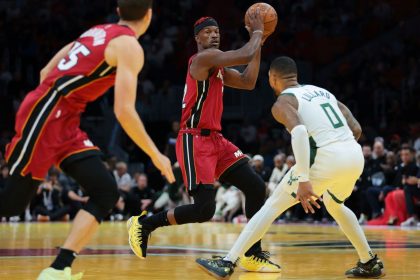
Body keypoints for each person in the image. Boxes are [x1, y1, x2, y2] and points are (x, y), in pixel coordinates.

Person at [0, 0, 175, 279]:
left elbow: (46, 72)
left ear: (118, 12)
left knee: (105, 191)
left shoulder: (97, 31)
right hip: (47, 114)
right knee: (11, 205)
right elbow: (123, 111)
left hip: (63, 116)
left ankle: (59, 269)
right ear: (149, 15)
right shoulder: (130, 46)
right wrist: (156, 154)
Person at [196, 56, 385, 279]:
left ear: (272, 78)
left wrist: (305, 177)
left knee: (270, 207)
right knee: (335, 205)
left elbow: (301, 132)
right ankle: (369, 261)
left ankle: (228, 262)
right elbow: (355, 128)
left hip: (325, 158)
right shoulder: (322, 92)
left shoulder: (283, 103)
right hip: (353, 155)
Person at [127, 10, 281, 272]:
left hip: (217, 140)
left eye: (217, 32)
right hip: (194, 139)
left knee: (256, 188)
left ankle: (252, 253)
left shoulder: (217, 68)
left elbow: (248, 81)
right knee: (204, 210)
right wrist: (257, 33)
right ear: (198, 38)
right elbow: (243, 54)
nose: (214, 35)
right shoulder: (202, 59)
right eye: (208, 32)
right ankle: (144, 224)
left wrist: (260, 43)